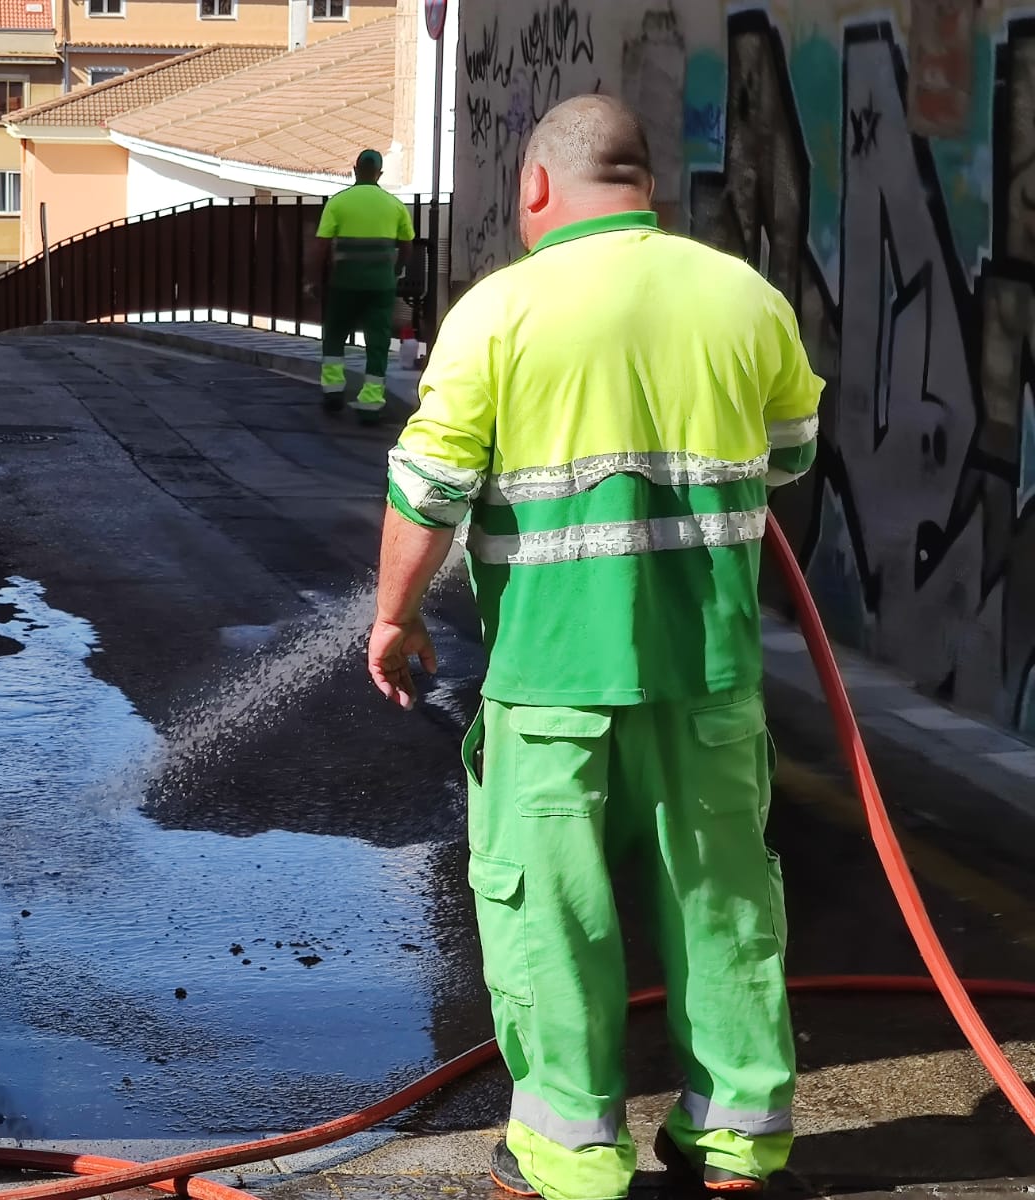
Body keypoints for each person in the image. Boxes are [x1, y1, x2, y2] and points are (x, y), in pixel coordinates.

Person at [366, 95, 823, 1200]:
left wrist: (395, 615)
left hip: (550, 685)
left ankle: (569, 1158)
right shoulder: (743, 298)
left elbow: (425, 493)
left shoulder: (499, 313)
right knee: (722, 905)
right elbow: (791, 456)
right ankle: (737, 1147)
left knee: (552, 919)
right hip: (707, 676)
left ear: (535, 187)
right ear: (645, 186)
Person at [308, 149, 415, 424]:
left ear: (355, 169)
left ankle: (333, 391)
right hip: (380, 286)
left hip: (344, 283)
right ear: (379, 173)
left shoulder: (338, 203)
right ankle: (371, 402)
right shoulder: (394, 205)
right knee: (377, 343)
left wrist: (313, 279)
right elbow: (406, 246)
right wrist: (395, 270)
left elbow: (321, 246)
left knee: (334, 335)